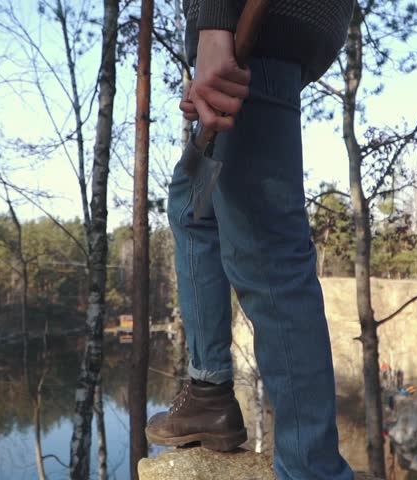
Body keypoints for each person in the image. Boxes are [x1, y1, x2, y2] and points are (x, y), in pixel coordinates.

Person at [146, 1, 355, 479]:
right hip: (262, 39)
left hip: (253, 30)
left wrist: (216, 24)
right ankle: (208, 393)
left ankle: (312, 470)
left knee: (269, 259)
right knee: (191, 206)